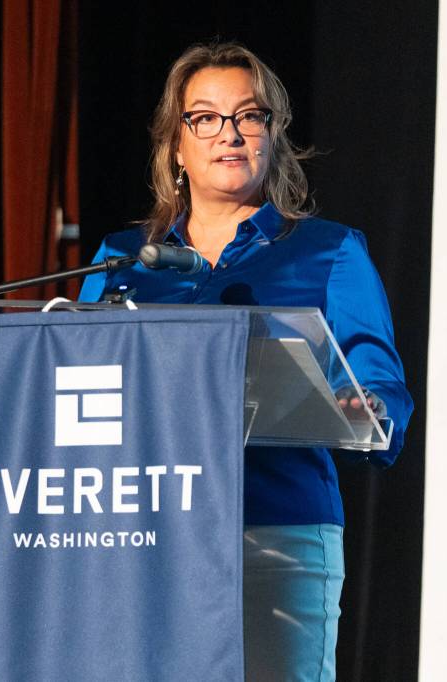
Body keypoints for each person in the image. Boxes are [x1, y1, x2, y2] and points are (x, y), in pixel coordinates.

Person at [79, 41, 412, 680]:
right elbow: (74, 377)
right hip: (143, 534)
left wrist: (363, 404)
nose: (228, 133)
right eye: (204, 117)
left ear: (271, 134)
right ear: (175, 144)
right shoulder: (124, 261)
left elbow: (376, 377)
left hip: (276, 534)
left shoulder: (328, 251)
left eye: (248, 115)